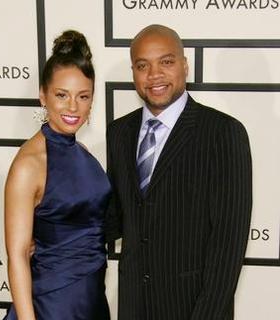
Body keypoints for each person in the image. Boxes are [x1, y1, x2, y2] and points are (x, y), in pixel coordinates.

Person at [106, 24, 252, 320]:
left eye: (167, 62)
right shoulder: (119, 132)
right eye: (142, 65)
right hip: (134, 308)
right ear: (133, 72)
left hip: (193, 309)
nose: (154, 75)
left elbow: (228, 246)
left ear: (185, 66)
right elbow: (113, 219)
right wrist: (50, 237)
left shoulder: (223, 133)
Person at [4, 30, 110, 320]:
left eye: (83, 96)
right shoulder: (29, 164)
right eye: (62, 95)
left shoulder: (85, 154)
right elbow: (17, 257)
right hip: (50, 306)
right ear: (43, 95)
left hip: (91, 301)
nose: (73, 107)